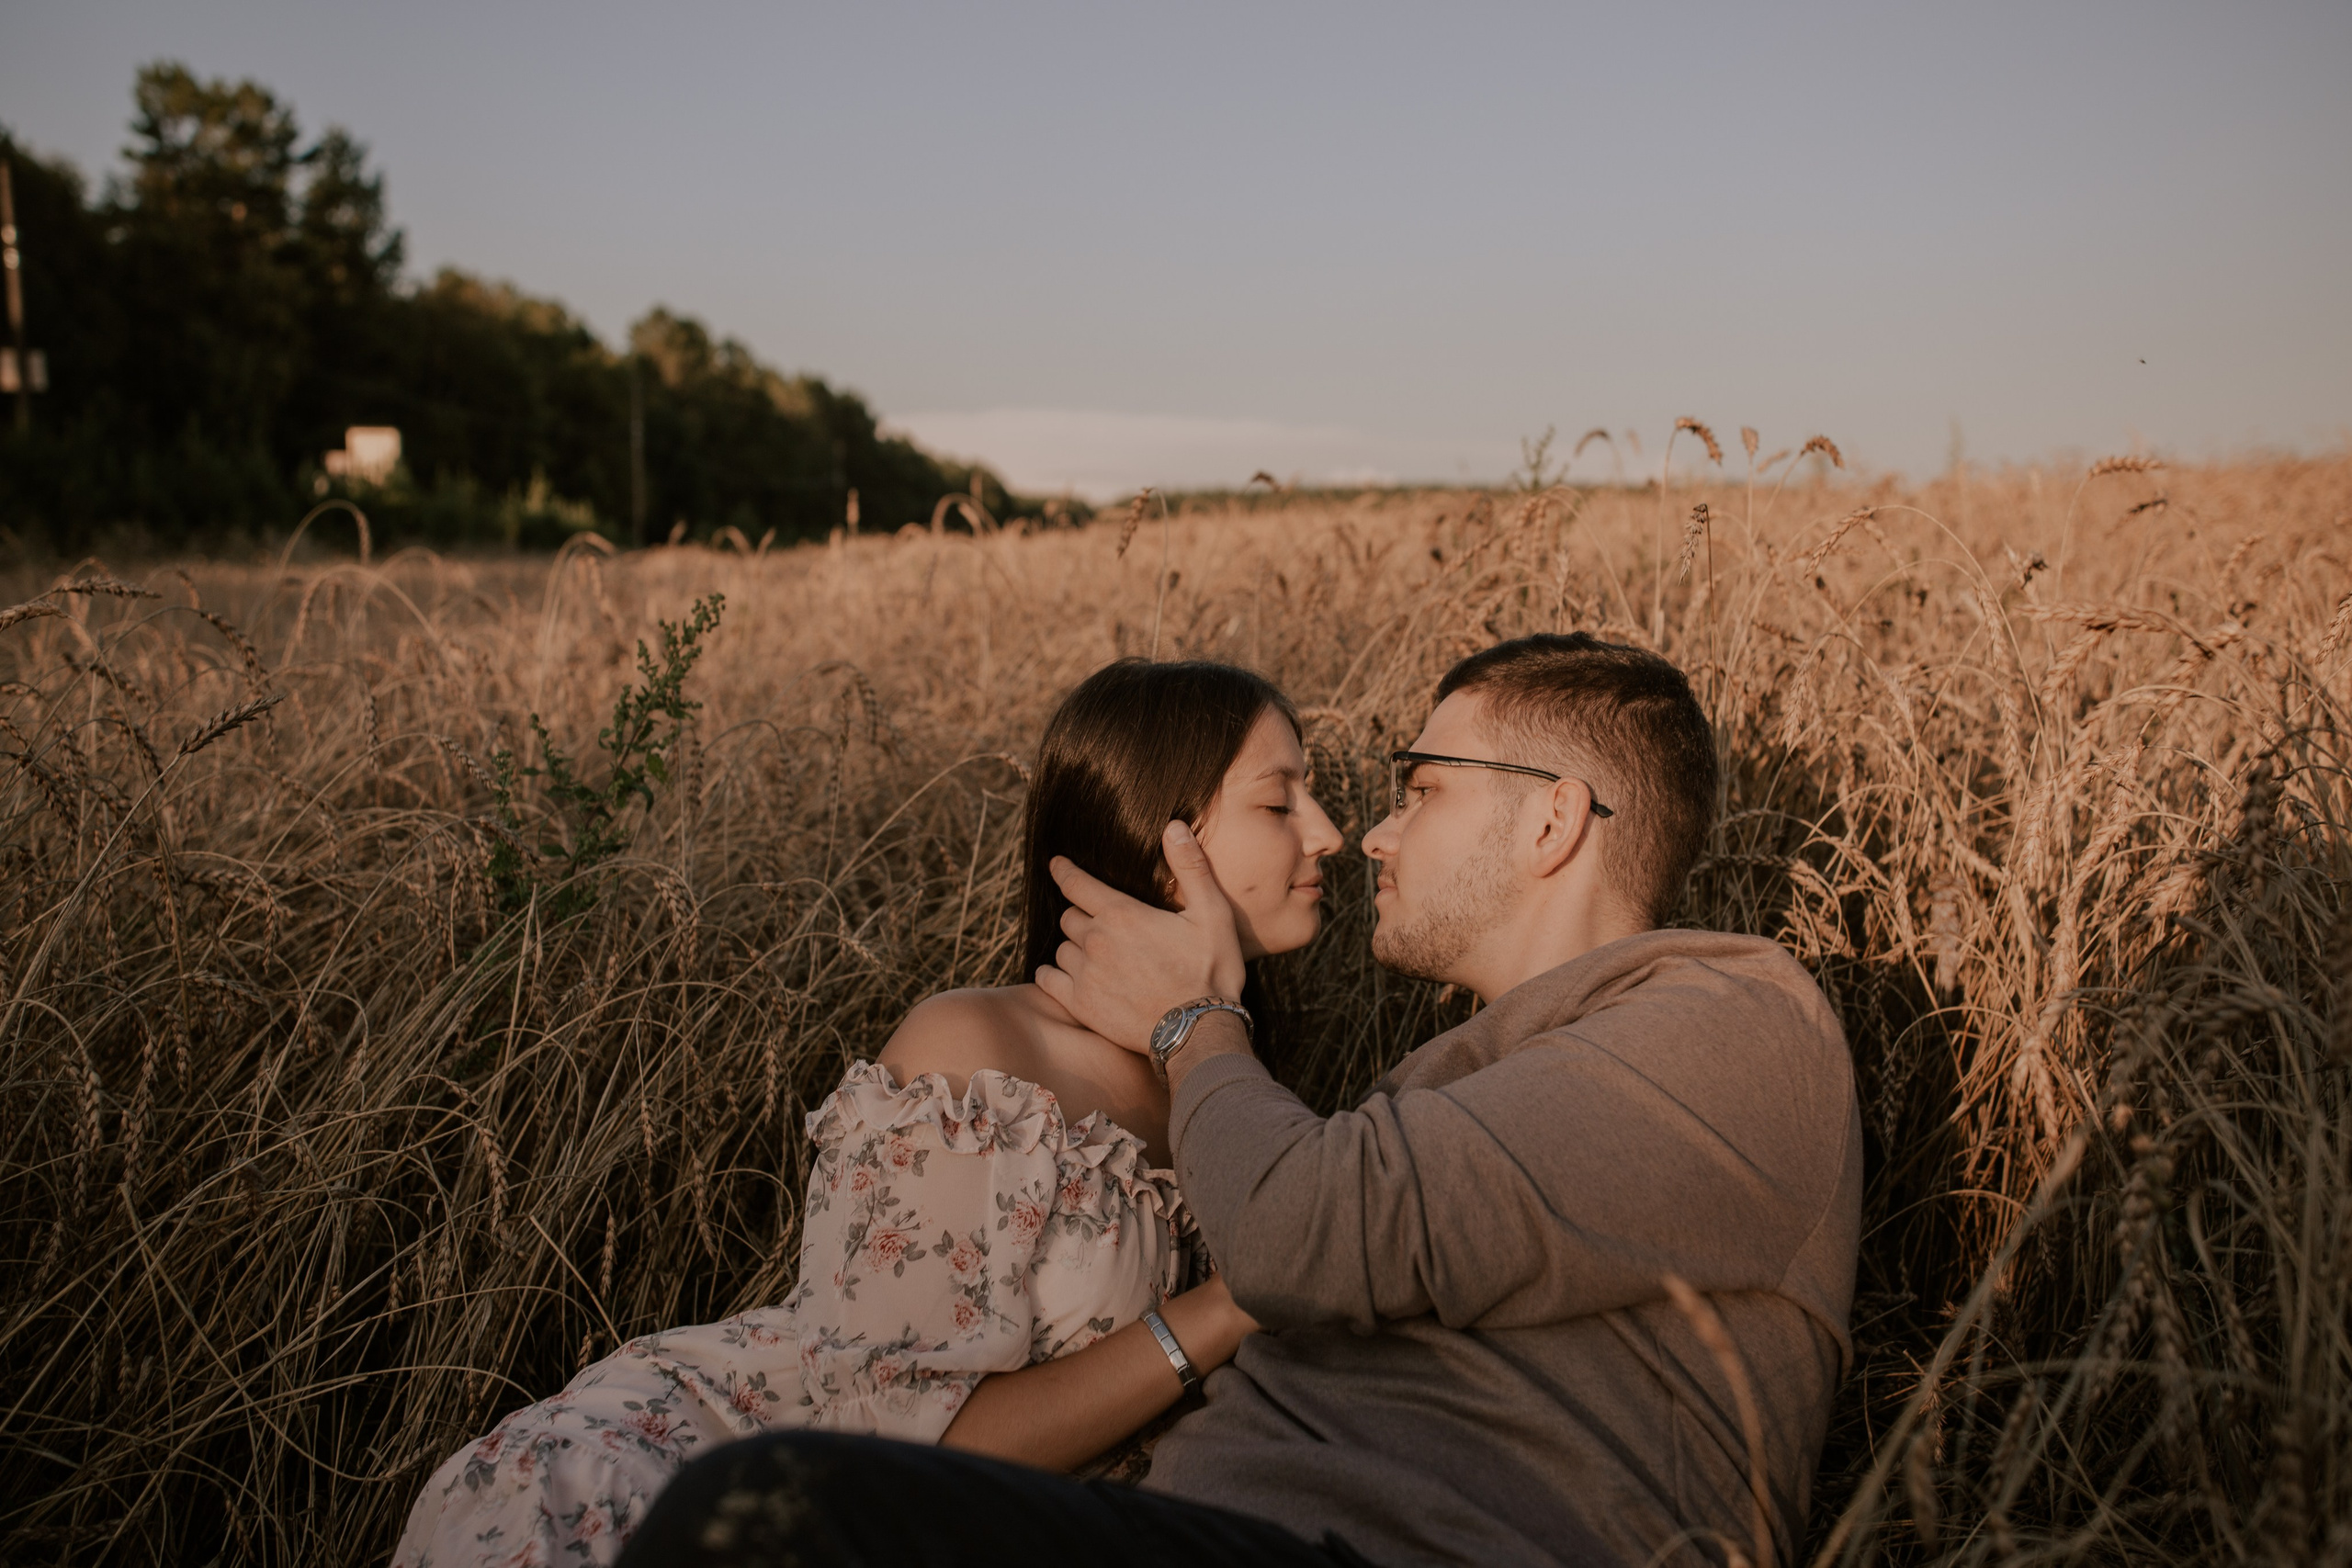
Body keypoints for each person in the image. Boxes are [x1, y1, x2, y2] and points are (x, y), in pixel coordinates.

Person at [619, 632, 1864, 1568]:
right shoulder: (1453, 1082)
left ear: (1551, 817)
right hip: (1210, 1524)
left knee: (760, 1519)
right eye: (1299, 798)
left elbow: (1302, 1237)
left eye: (1420, 786)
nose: (1367, 834)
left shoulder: (1727, 1014)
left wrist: (1192, 1023)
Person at [392, 659, 1344, 1567]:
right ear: (1163, 838)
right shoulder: (978, 1056)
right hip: (713, 1488)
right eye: (1279, 800)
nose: (1328, 832)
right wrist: (1229, 1303)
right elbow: (908, 1441)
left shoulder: (1233, 1078)